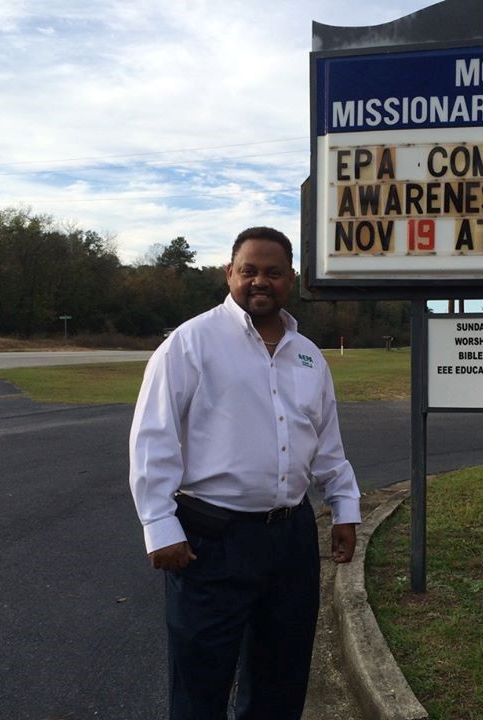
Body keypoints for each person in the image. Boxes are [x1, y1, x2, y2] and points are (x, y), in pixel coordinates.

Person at [129, 226, 361, 719]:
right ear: (228, 274)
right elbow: (154, 436)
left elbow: (326, 444)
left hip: (291, 538)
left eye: (273, 272)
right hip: (210, 540)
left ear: (290, 279)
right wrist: (159, 525)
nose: (261, 281)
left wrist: (344, 507)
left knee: (282, 678)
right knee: (200, 682)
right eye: (249, 270)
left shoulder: (308, 355)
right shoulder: (191, 343)